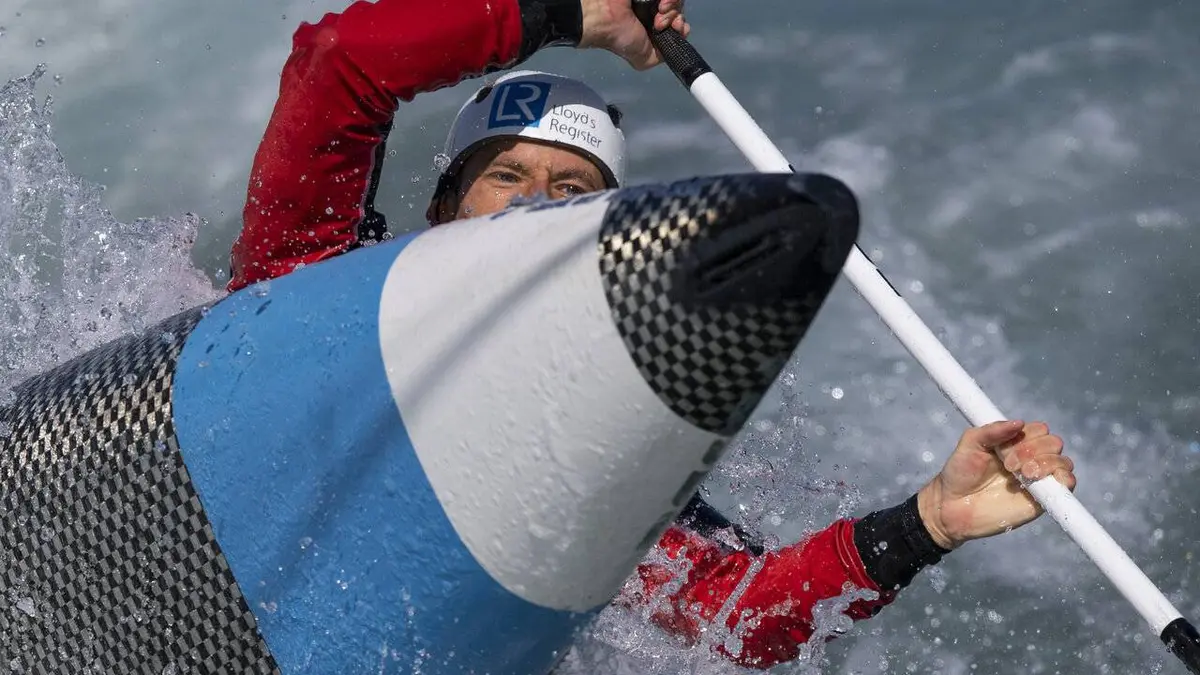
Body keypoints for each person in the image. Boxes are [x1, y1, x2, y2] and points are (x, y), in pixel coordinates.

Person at [226, 0, 1079, 668]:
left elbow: (738, 614)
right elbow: (341, 60)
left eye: (572, 190)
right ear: (445, 208)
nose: (536, 201)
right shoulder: (306, 279)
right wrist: (574, 15)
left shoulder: (580, 471)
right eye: (507, 175)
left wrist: (931, 520)